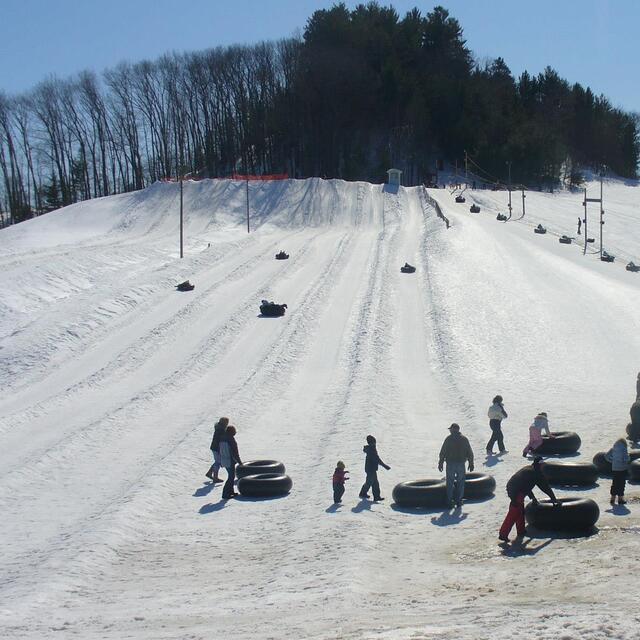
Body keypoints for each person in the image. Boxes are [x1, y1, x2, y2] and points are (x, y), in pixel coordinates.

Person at [499, 457, 558, 542]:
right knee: (514, 512)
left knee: (520, 511)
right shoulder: (535, 473)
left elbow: (526, 485)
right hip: (515, 491)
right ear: (540, 465)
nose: (543, 467)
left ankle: (521, 530)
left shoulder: (531, 469)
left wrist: (533, 497)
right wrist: (553, 498)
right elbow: (545, 487)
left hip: (516, 488)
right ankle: (503, 534)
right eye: (542, 465)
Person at [438, 423, 474, 508]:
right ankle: (459, 500)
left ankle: (449, 501)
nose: (450, 430)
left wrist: (441, 462)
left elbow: (443, 452)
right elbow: (470, 452)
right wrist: (471, 463)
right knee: (460, 482)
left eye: (451, 429)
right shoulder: (464, 439)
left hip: (450, 464)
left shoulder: (449, 439)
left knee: (450, 482)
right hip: (461, 464)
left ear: (453, 429)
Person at [359, 435, 390, 501]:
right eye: (374, 442)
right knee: (369, 482)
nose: (375, 443)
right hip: (370, 469)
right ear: (371, 443)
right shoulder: (371, 450)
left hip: (371, 469)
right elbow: (377, 459)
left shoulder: (372, 448)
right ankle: (363, 493)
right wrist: (385, 466)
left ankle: (376, 496)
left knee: (375, 483)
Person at [219, 425, 243, 500]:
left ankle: (231, 492)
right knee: (231, 477)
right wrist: (240, 462)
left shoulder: (222, 438)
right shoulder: (231, 440)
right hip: (229, 460)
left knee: (231, 476)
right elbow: (235, 453)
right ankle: (225, 493)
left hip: (223, 460)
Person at [605, 438, 630, 505]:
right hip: (622, 469)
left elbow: (606, 456)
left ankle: (612, 498)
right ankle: (620, 499)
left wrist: (612, 461)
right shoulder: (624, 449)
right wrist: (628, 459)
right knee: (621, 484)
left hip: (615, 469)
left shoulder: (613, 449)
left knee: (615, 483)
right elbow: (626, 458)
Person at [206, 417, 229, 481]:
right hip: (217, 448)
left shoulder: (219, 428)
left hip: (214, 447)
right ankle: (215, 477)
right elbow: (221, 440)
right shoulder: (221, 430)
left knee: (217, 461)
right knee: (218, 462)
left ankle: (210, 473)